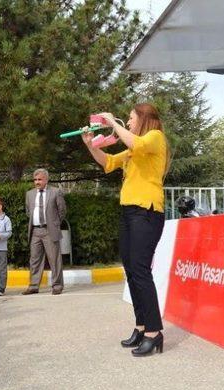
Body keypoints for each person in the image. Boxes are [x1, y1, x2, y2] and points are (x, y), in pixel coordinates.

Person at [80, 103, 169, 357]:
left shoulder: (155, 138)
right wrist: (90, 144)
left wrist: (112, 122)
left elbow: (135, 143)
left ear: (143, 119)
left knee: (140, 270)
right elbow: (107, 162)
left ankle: (154, 332)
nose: (128, 123)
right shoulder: (132, 150)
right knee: (131, 271)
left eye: (130, 118)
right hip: (129, 212)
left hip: (147, 211)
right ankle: (141, 327)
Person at [22, 169, 66, 296]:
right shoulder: (29, 194)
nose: (37, 182)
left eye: (39, 179)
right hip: (35, 230)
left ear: (46, 179)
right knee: (34, 260)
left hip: (49, 230)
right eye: (35, 180)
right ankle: (33, 286)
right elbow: (28, 211)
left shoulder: (55, 192)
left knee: (54, 260)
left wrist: (55, 224)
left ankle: (57, 286)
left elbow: (62, 211)